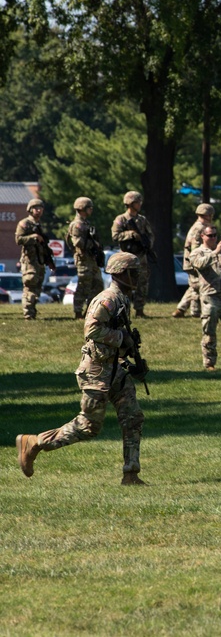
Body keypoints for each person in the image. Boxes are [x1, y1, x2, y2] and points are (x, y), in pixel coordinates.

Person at [16, 252, 148, 485]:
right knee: (88, 426)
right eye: (133, 272)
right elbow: (92, 331)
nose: (137, 276)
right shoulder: (107, 299)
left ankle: (131, 474)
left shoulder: (122, 299)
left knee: (133, 418)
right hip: (97, 372)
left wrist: (130, 356)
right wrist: (122, 338)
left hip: (115, 370)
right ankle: (35, 442)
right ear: (120, 274)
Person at [189, 226, 221, 371]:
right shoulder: (197, 253)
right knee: (209, 332)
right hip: (210, 296)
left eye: (215, 235)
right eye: (210, 235)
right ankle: (209, 363)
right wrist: (215, 253)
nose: (213, 238)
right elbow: (199, 264)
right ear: (202, 236)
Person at [111, 190, 155, 318]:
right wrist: (130, 234)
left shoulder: (142, 220)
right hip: (126, 257)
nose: (140, 204)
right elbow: (115, 236)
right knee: (126, 284)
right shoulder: (121, 219)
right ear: (130, 203)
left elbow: (150, 235)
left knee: (142, 283)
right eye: (137, 202)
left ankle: (140, 310)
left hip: (141, 256)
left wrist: (148, 243)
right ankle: (123, 311)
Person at [173, 203, 216, 319]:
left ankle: (181, 309)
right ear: (206, 215)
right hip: (195, 262)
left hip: (191, 261)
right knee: (197, 286)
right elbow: (195, 248)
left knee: (193, 286)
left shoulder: (198, 226)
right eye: (210, 214)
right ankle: (195, 312)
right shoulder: (200, 228)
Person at [14, 198, 53, 320]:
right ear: (30, 210)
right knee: (30, 286)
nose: (38, 210)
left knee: (37, 288)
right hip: (29, 261)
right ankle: (28, 314)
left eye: (40, 208)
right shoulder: (24, 224)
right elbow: (18, 240)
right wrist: (33, 237)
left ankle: (32, 311)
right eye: (35, 208)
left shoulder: (40, 225)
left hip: (40, 260)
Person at [67, 196, 104, 320]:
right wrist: (93, 244)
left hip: (91, 259)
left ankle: (90, 311)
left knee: (98, 285)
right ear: (82, 208)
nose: (91, 210)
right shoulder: (77, 225)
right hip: (83, 260)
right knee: (83, 285)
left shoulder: (86, 223)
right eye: (89, 207)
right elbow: (77, 242)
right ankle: (78, 312)